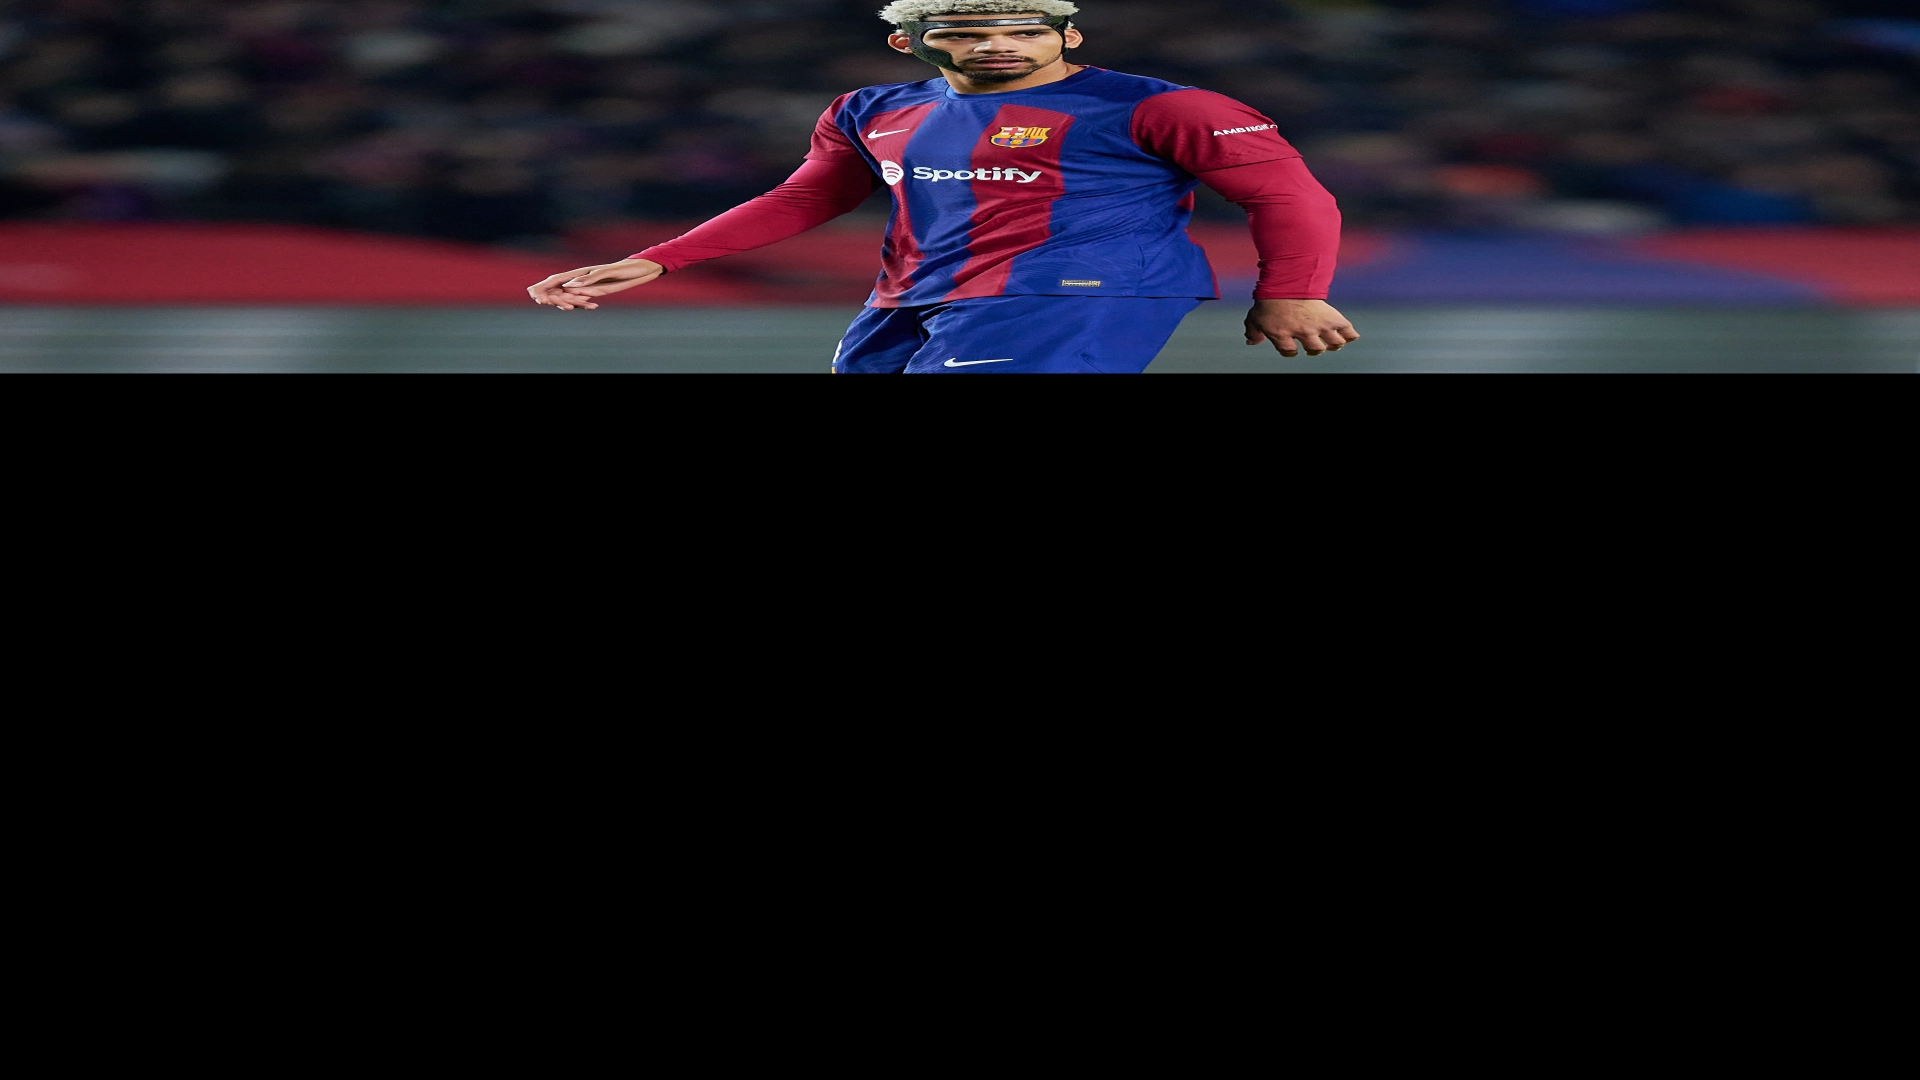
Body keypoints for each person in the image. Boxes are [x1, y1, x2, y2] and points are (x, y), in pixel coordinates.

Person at [528, 1, 1359, 373]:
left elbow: (1291, 198)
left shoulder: (1165, 106)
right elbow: (805, 198)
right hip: (912, 297)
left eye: (1023, 30)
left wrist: (1294, 292)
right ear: (909, 42)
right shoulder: (870, 109)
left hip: (1077, 290)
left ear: (1068, 35)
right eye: (964, 31)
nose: (997, 44)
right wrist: (661, 259)